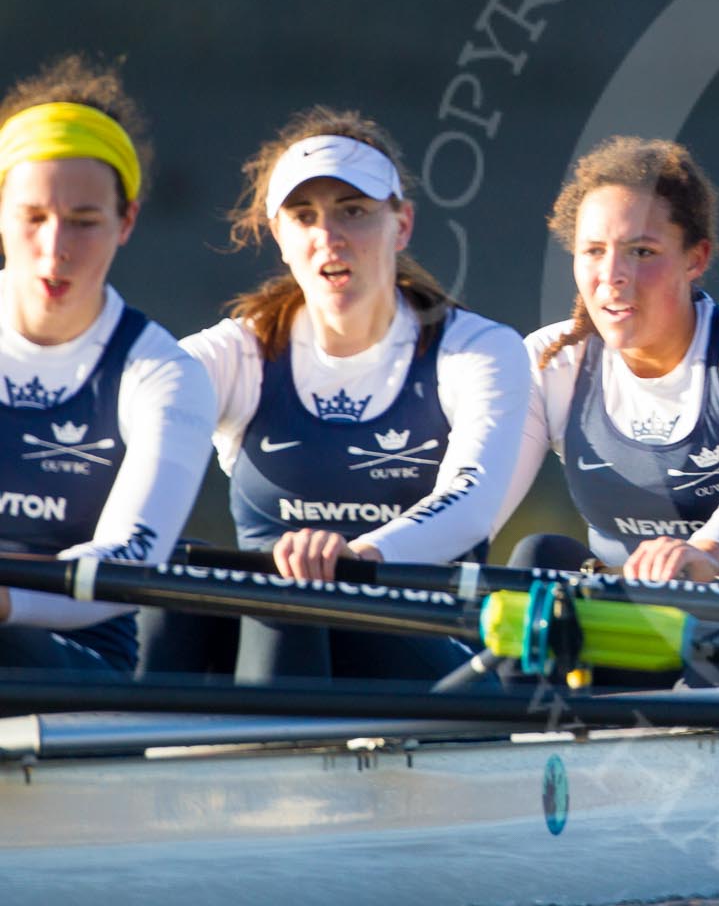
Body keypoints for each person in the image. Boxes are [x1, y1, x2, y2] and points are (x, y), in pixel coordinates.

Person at [146, 109, 529, 683]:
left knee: (291, 592)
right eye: (304, 217)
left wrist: (358, 559)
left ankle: (274, 761)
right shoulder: (238, 354)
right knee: (174, 579)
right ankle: (124, 756)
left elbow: (470, 502)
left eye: (354, 212)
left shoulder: (477, 349)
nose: (329, 236)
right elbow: (119, 423)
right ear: (280, 237)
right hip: (273, 642)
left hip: (431, 656)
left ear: (401, 225)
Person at [499, 137, 719, 594]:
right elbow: (480, 492)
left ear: (695, 258)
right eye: (594, 251)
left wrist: (708, 552)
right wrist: (381, 553)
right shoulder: (553, 361)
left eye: (641, 252)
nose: (612, 275)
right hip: (632, 631)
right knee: (538, 558)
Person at [0, 57, 215, 673]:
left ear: (127, 221)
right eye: (33, 218)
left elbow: (128, 556)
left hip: (82, 660)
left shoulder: (164, 375)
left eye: (85, 222)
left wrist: (8, 602)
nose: (55, 248)